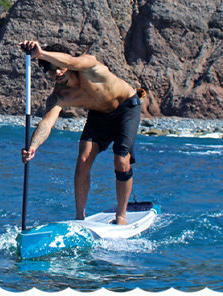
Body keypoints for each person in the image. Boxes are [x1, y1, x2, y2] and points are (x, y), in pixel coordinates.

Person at [19, 40, 147, 225]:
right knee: (83, 160)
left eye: (59, 67)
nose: (57, 72)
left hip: (126, 108)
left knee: (121, 160)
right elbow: (47, 123)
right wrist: (32, 147)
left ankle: (121, 216)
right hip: (99, 116)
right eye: (51, 70)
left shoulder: (88, 65)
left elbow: (72, 61)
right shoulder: (60, 95)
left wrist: (40, 53)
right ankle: (80, 218)